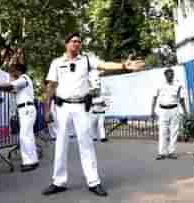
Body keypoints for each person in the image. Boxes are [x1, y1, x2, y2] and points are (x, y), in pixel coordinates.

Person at [43, 32, 145, 197]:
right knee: (61, 144)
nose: (77, 44)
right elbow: (51, 86)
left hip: (81, 107)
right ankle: (58, 182)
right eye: (74, 41)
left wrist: (124, 66)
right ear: (66, 44)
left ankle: (93, 182)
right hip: (62, 108)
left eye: (79, 42)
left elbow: (104, 65)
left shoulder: (86, 60)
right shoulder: (56, 63)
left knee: (86, 144)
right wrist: (47, 109)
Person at [0, 63, 39, 172]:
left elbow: (10, 86)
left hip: (26, 109)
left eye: (13, 70)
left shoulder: (24, 78)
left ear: (18, 70)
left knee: (25, 136)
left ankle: (30, 161)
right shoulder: (21, 82)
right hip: (24, 109)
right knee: (27, 135)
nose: (11, 73)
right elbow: (11, 90)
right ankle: (31, 160)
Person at [151, 68, 187, 160]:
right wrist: (152, 110)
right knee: (162, 132)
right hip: (163, 110)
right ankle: (161, 153)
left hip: (174, 110)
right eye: (169, 75)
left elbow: (182, 99)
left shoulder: (178, 85)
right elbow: (154, 98)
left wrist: (185, 111)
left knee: (174, 132)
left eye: (172, 75)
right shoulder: (159, 85)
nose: (171, 76)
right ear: (165, 75)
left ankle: (172, 152)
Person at [89, 71, 108, 142]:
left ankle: (103, 137)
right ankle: (94, 137)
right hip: (94, 112)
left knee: (101, 125)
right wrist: (97, 103)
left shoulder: (101, 95)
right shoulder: (91, 96)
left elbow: (104, 103)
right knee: (93, 125)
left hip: (101, 112)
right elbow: (91, 103)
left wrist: (101, 103)